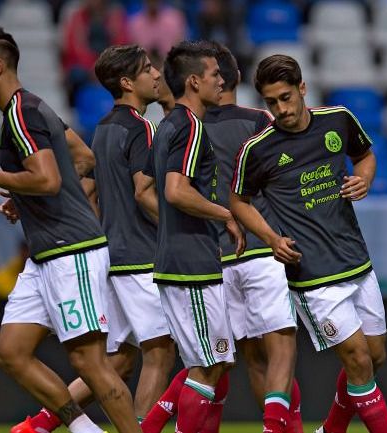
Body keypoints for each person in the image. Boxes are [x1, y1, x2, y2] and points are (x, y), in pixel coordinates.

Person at [0, 26, 141, 433]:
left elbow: (49, 179)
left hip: (70, 251)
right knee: (12, 352)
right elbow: (83, 158)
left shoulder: (21, 115)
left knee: (89, 362)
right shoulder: (35, 109)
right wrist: (25, 199)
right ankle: (83, 429)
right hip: (46, 255)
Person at [12, 43, 176, 433]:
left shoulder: (102, 129)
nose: (157, 75)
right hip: (140, 258)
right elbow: (142, 192)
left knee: (117, 362)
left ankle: (39, 425)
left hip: (110, 258)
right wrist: (185, 232)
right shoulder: (142, 128)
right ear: (127, 82)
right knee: (160, 351)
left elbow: (89, 187)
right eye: (148, 69)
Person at [230, 54, 387, 433]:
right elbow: (238, 200)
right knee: (357, 360)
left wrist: (364, 179)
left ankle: (331, 429)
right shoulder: (258, 149)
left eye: (286, 97)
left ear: (303, 88)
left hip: (356, 261)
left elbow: (364, 157)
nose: (281, 109)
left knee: (374, 356)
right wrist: (270, 238)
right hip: (313, 275)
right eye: (271, 102)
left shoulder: (338, 119)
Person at [203, 42, 302, 433]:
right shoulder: (261, 122)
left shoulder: (190, 129)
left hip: (219, 259)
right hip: (263, 249)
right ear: (237, 79)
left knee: (252, 359)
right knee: (281, 351)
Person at [147, 40, 244, 433]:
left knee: (212, 364)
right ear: (193, 81)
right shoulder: (189, 126)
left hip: (180, 260)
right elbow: (175, 190)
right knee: (206, 369)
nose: (221, 81)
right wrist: (227, 215)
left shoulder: (167, 125)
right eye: (214, 75)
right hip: (191, 264)